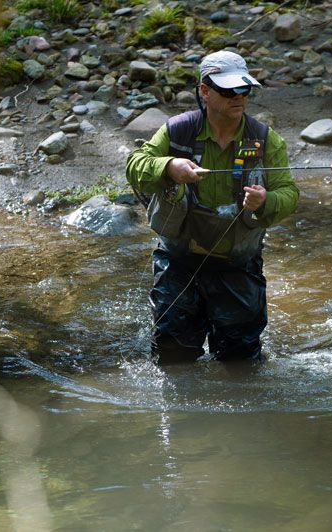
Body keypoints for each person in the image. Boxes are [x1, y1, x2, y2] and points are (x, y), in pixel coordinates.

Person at [126, 50, 299, 364]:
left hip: (238, 265)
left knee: (240, 361)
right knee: (172, 356)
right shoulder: (177, 131)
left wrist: (266, 201)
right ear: (204, 91)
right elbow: (135, 166)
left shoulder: (266, 140)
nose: (239, 97)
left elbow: (289, 193)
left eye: (244, 90)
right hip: (179, 262)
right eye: (228, 90)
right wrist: (169, 166)